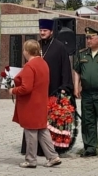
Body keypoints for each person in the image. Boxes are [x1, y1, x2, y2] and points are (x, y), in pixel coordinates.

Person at [21, 18, 74, 155]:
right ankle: (34, 149)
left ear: (51, 31)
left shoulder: (59, 46)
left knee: (50, 121)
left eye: (45, 30)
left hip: (53, 88)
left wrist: (65, 86)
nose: (42, 33)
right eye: (40, 30)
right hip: (36, 90)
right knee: (35, 118)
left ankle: (51, 149)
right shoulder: (36, 47)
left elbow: (65, 68)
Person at [9, 39, 61, 168]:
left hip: (30, 104)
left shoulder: (30, 66)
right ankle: (53, 156)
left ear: (27, 51)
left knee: (31, 131)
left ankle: (31, 159)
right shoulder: (43, 63)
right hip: (41, 102)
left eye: (24, 50)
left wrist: (13, 90)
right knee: (43, 130)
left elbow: (26, 88)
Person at [74, 27, 98, 158]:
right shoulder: (82, 54)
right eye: (87, 38)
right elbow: (77, 71)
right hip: (86, 93)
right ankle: (90, 147)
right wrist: (76, 87)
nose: (88, 40)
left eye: (90, 38)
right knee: (87, 120)